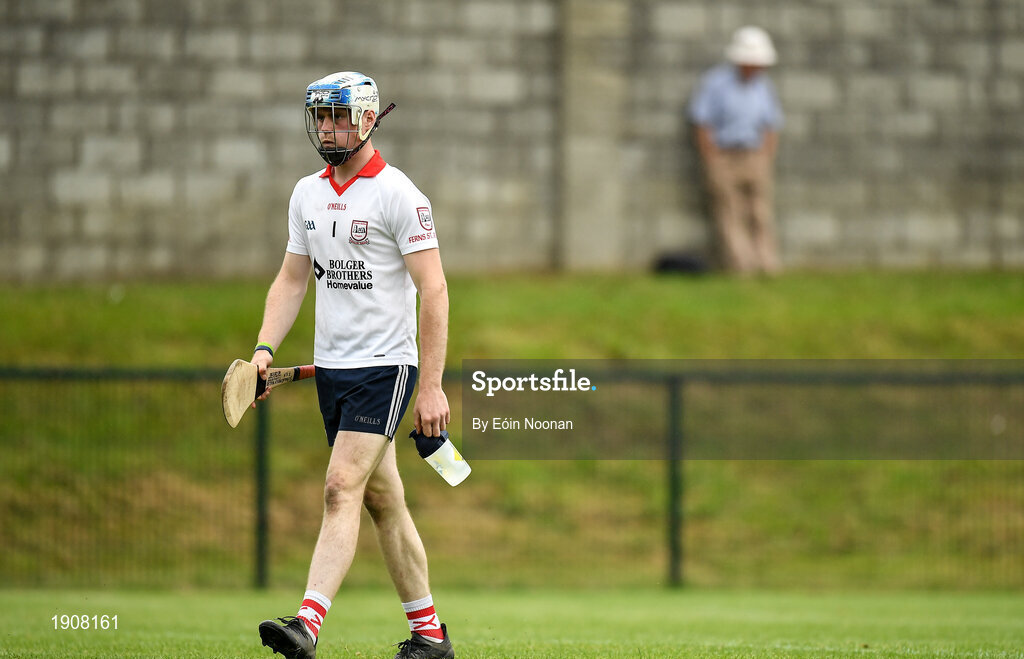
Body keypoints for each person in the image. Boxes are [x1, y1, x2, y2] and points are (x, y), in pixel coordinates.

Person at [252, 71, 455, 659]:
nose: (327, 127)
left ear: (368, 119)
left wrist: (433, 386)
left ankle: (306, 624)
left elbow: (434, 290)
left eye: (338, 116)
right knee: (381, 499)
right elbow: (292, 280)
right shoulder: (306, 195)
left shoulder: (399, 195)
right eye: (320, 116)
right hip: (331, 371)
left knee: (341, 487)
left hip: (386, 368)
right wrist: (264, 348)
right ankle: (430, 636)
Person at [690, 26, 784, 274]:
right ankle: (741, 266)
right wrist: (711, 157)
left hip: (754, 155)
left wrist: (765, 155)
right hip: (724, 155)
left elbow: (771, 123)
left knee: (759, 212)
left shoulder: (763, 86)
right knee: (730, 212)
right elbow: (702, 121)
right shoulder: (715, 83)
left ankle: (767, 264)